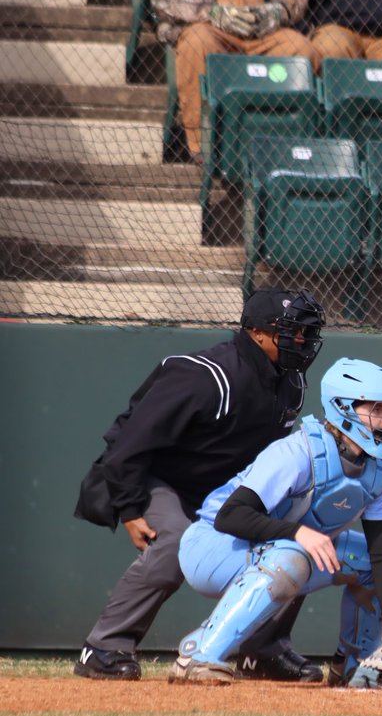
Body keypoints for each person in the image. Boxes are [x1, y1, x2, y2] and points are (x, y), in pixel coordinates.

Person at [73, 288, 327, 682]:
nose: (302, 341)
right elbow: (129, 443)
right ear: (257, 333)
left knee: (295, 539)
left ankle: (264, 650)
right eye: (291, 332)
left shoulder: (290, 381)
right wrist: (129, 508)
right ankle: (105, 647)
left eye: (306, 332)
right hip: (154, 477)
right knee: (174, 541)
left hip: (219, 491)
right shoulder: (206, 376)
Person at [168, 358, 382, 690]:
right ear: (343, 409)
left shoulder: (378, 471)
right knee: (291, 555)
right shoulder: (298, 452)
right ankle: (199, 656)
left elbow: (381, 552)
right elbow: (230, 516)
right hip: (213, 547)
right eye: (377, 407)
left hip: (282, 551)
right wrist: (298, 533)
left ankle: (358, 665)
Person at [149, 0, 320, 164]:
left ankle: (287, 142)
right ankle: (202, 147)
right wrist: (215, 14)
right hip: (215, 34)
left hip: (263, 37)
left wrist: (273, 14)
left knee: (302, 49)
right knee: (196, 40)